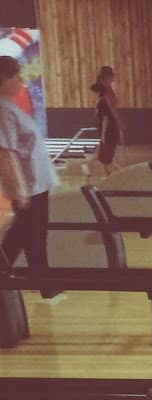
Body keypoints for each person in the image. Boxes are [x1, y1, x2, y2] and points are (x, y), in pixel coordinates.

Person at [0, 54, 60, 297]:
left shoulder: (10, 106)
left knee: (33, 236)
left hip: (36, 184)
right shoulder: (3, 109)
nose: (21, 81)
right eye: (17, 76)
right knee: (24, 235)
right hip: (28, 186)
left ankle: (45, 284)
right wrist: (18, 190)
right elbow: (6, 153)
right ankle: (43, 284)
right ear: (4, 79)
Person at [90, 65, 122, 175]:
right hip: (109, 127)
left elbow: (108, 115)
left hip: (108, 127)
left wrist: (104, 134)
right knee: (105, 153)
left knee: (107, 154)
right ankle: (109, 173)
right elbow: (108, 113)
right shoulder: (105, 94)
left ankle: (112, 173)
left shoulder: (106, 94)